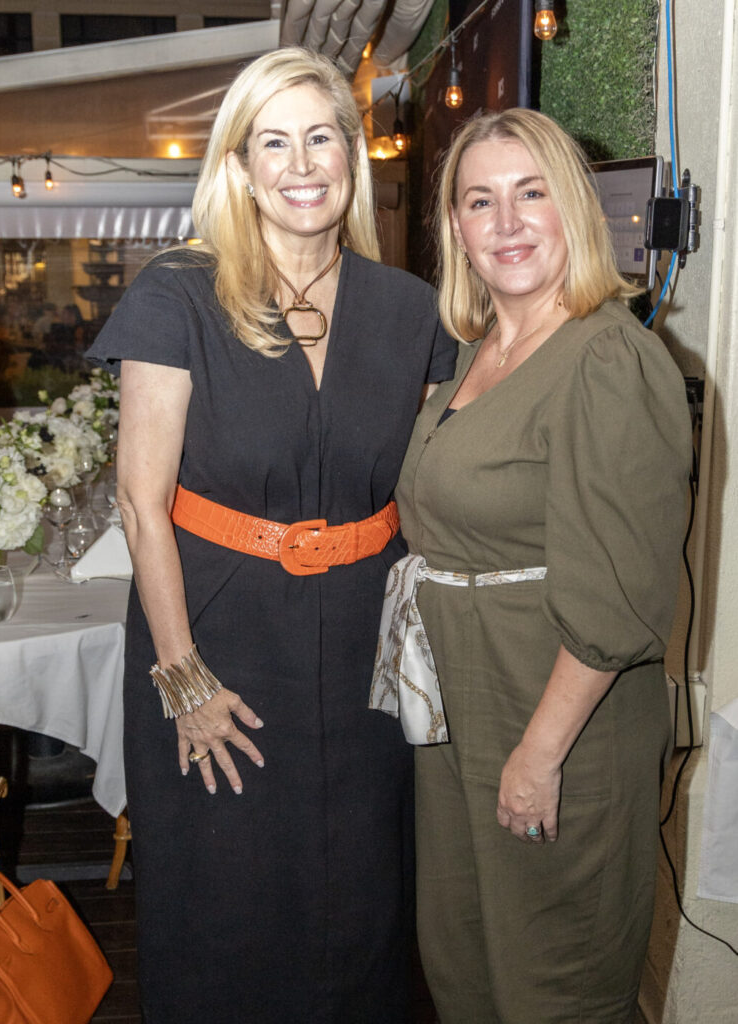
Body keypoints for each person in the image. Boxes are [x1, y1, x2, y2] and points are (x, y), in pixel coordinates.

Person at [87, 47, 456, 1024]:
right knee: (228, 907)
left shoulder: (410, 309)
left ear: (351, 157)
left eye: (320, 137)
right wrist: (183, 679)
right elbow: (140, 502)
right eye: (273, 142)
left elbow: (436, 486)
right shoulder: (177, 294)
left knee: (362, 905)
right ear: (240, 166)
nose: (300, 165)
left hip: (365, 648)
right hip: (219, 639)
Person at [384, 109, 690, 1022]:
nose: (506, 222)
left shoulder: (606, 355)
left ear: (575, 210)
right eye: (480, 201)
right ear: (456, 228)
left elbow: (618, 598)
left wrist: (538, 754)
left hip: (555, 717)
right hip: (461, 707)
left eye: (531, 193)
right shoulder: (476, 353)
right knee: (466, 968)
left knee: (554, 984)